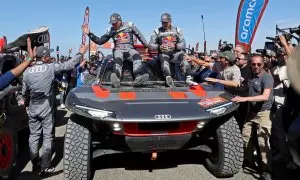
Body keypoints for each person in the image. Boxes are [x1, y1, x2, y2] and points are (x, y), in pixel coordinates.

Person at [22, 44, 88, 176]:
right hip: (46, 106)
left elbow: (25, 93)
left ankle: (35, 163)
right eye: (49, 55)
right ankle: (46, 166)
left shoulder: (27, 71)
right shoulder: (50, 67)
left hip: (33, 106)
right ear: (45, 57)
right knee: (47, 135)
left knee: (34, 136)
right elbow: (70, 64)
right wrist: (80, 53)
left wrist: (28, 105)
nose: (50, 57)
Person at [232, 55, 274, 180]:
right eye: (254, 64)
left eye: (258, 64)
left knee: (263, 143)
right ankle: (248, 160)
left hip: (263, 114)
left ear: (263, 65)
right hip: (251, 113)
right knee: (245, 137)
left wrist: (244, 99)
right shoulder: (252, 76)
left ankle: (267, 169)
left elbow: (265, 96)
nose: (256, 66)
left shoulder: (266, 77)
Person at [82, 13, 149, 88]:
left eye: (115, 23)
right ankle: (116, 79)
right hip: (118, 50)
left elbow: (139, 35)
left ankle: (138, 78)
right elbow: (100, 41)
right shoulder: (111, 30)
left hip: (130, 49)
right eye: (112, 23)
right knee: (118, 59)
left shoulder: (129, 25)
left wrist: (146, 45)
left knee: (137, 56)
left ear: (120, 21)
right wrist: (89, 34)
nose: (113, 25)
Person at [149, 13, 195, 87]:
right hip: (164, 53)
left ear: (170, 21)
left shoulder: (177, 30)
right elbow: (150, 45)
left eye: (166, 22)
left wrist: (175, 46)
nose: (164, 24)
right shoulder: (156, 32)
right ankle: (168, 77)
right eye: (162, 22)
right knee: (164, 60)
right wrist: (159, 47)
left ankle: (189, 77)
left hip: (176, 53)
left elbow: (183, 44)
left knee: (183, 57)